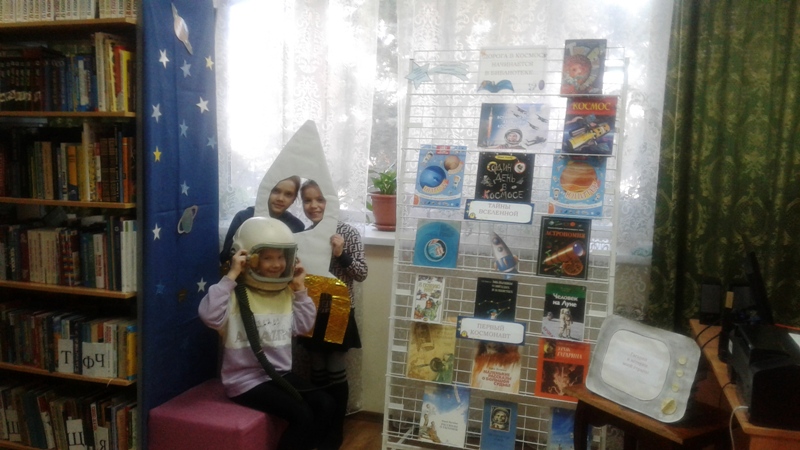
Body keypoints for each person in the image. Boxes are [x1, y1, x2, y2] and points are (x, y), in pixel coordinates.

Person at [199, 216, 336, 450]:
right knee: (301, 415)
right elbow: (209, 316)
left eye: (281, 257)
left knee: (326, 404)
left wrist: (300, 289)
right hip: (244, 382)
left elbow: (303, 326)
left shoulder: (286, 293)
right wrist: (231, 276)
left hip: (279, 375)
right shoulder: (235, 295)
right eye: (267, 258)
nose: (276, 264)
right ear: (248, 259)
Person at [296, 179, 368, 449]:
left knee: (335, 369)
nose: (314, 205)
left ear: (331, 202)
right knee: (316, 368)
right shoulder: (305, 235)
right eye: (307, 200)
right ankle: (321, 425)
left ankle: (335, 430)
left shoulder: (347, 232)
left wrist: (341, 253)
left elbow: (361, 273)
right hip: (312, 311)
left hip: (338, 310)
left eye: (320, 199)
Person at [219, 176, 305, 265]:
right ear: (266, 191)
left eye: (288, 194)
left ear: (294, 199)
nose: (280, 198)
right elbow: (225, 257)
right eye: (275, 191)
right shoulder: (243, 218)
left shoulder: (297, 226)